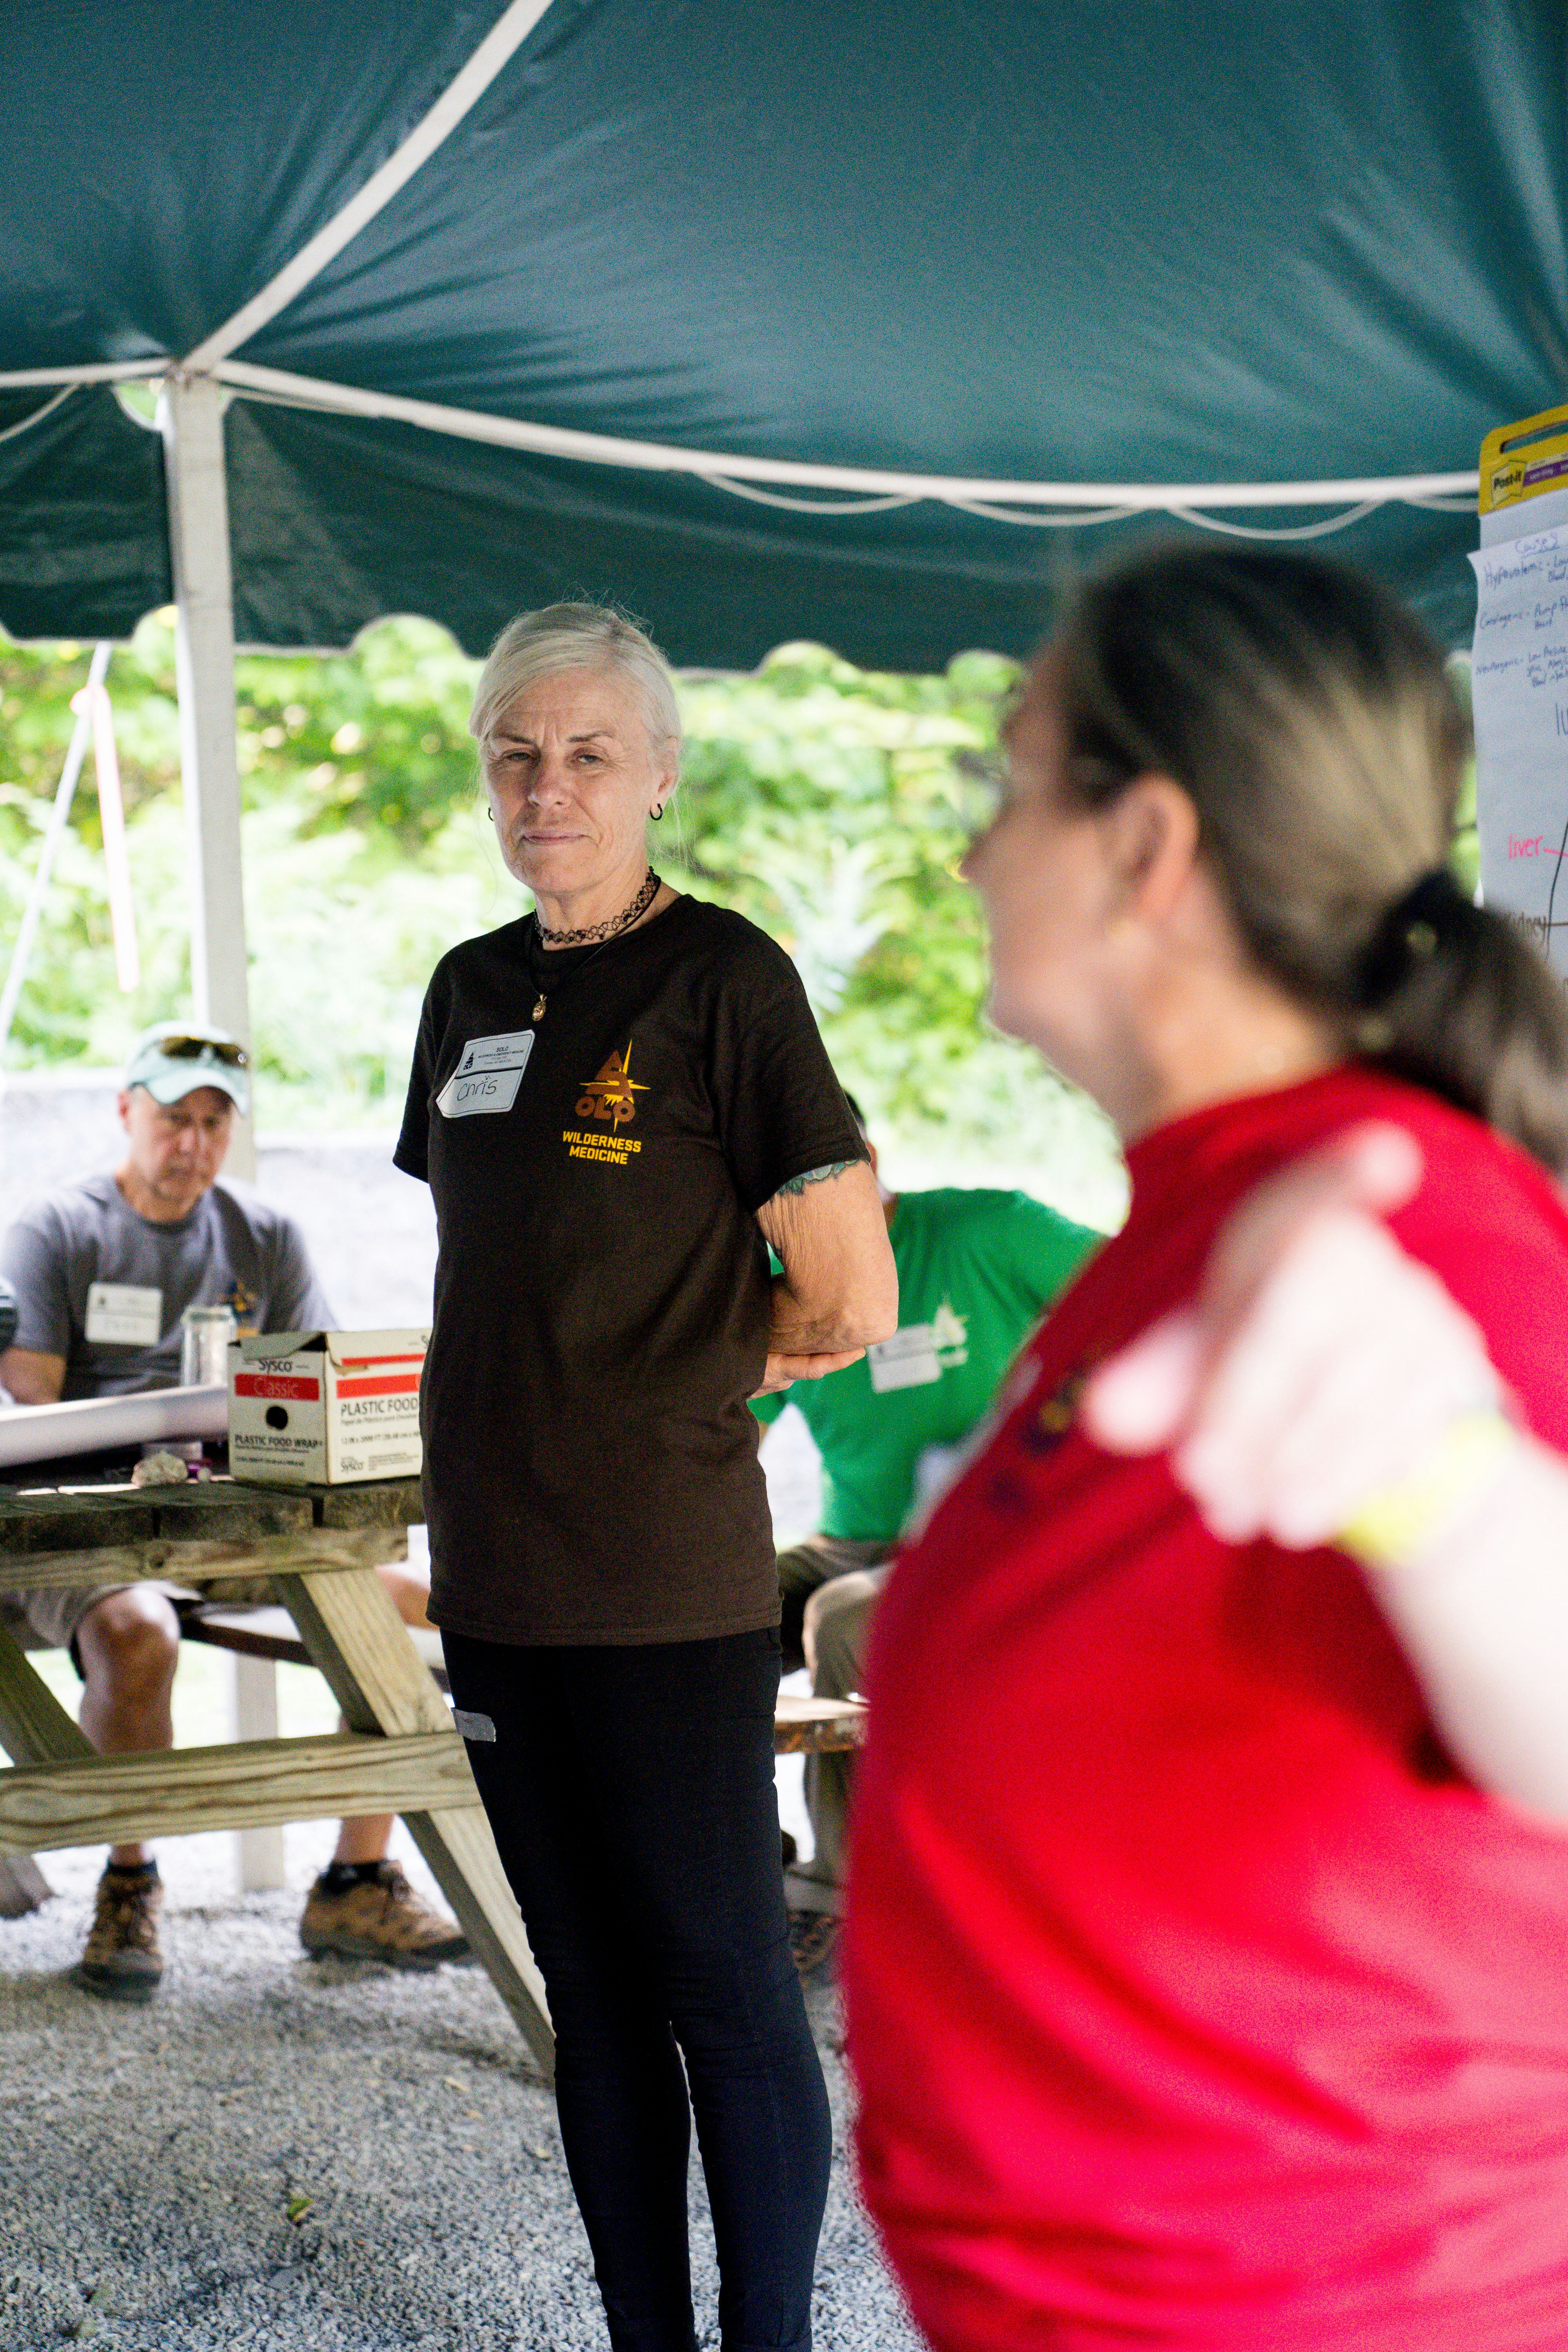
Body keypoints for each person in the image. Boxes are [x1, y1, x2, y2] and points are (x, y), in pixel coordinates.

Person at [844, 547, 1568, 2352]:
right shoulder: (1201, 1210)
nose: (968, 853)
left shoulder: (1396, 1221)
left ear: (1145, 848)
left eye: (1004, 784)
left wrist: (1445, 1484)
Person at [396, 600, 897, 2352]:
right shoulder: (466, 989)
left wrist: (689, 1379)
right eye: (516, 756)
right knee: (592, 2000)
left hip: (667, 1582)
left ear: (660, 776)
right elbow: (513, 1254)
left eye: (588, 754)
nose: (549, 788)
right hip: (498, 1581)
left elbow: (849, 1292)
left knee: (724, 1991)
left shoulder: (725, 981)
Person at [0, 1023, 467, 1999]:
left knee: (425, 1608)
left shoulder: (267, 1233)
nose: (195, 1143)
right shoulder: (58, 1226)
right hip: (94, 1527)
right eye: (175, 1118)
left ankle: (356, 1877)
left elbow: (321, 1380)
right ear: (126, 1112)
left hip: (233, 1515)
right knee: (139, 1637)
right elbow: (29, 1405)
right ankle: (130, 1881)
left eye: (215, 1122)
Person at [753, 1093, 1096, 1946]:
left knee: (842, 1621)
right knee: (706, 1614)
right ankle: (744, 1872)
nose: (780, 1221)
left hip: (988, 1540)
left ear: (864, 1165)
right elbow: (718, 1441)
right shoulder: (772, 1292)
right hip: (851, 1541)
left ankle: (850, 1899)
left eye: (800, 1194)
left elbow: (1155, 1301)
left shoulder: (987, 1231)